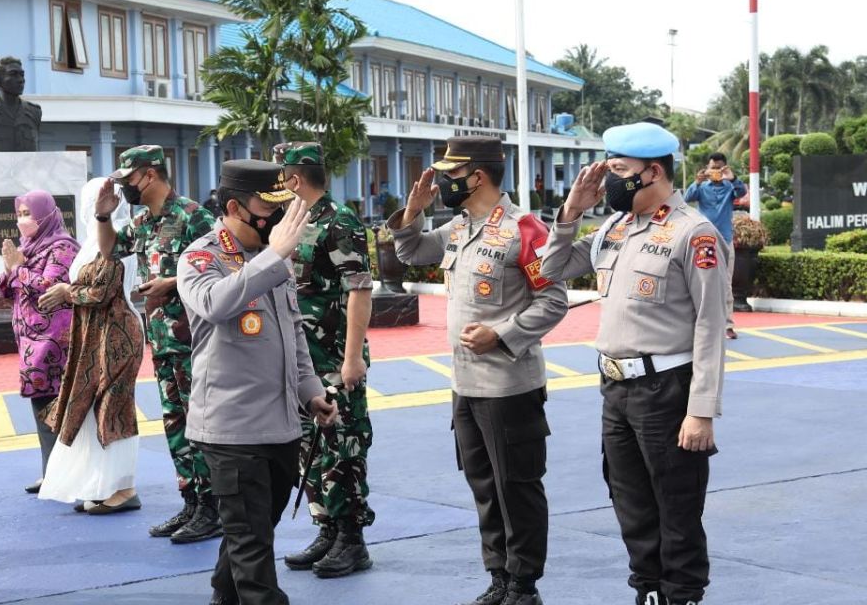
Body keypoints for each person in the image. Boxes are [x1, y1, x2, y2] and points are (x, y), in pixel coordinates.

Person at [540, 122, 727, 605]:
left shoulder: (694, 234)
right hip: (616, 388)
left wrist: (701, 409)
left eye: (618, 171)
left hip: (667, 388)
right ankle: (647, 588)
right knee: (629, 501)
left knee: (677, 503)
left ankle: (681, 595)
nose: (608, 181)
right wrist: (571, 213)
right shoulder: (613, 228)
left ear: (654, 172)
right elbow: (550, 268)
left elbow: (710, 325)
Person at [389, 137, 568, 605]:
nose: (444, 182)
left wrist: (503, 333)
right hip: (464, 383)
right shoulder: (460, 226)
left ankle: (525, 584)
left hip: (508, 383)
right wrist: (414, 210)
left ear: (478, 176)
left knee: (517, 486)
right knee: (484, 485)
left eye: (451, 174)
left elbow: (553, 300)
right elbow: (410, 251)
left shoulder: (524, 229)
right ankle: (500, 577)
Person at [176, 159, 338, 605]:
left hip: (281, 426)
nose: (278, 218)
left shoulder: (273, 262)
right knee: (254, 555)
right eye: (268, 209)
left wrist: (312, 394)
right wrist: (274, 256)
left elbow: (294, 337)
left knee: (250, 534)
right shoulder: (200, 257)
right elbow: (214, 303)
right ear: (234, 207)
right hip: (232, 432)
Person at [95, 145, 220, 543]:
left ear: (149, 175)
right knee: (175, 424)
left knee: (201, 424)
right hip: (163, 341)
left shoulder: (193, 215)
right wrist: (103, 214)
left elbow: (223, 270)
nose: (125, 188)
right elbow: (111, 251)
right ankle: (191, 503)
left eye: (128, 180)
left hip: (195, 340)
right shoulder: (143, 220)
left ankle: (212, 507)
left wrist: (174, 283)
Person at [271, 142, 376, 579]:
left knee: (342, 447)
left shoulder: (340, 222)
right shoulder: (294, 221)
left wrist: (352, 358)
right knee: (311, 449)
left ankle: (351, 539)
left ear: (296, 178)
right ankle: (327, 527)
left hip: (333, 357)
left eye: (281, 174)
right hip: (303, 359)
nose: (276, 183)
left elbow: (360, 289)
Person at [36, 176, 142, 513]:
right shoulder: (93, 242)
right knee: (91, 408)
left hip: (116, 336)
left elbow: (102, 291)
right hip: (92, 335)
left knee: (112, 408)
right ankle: (102, 485)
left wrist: (67, 293)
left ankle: (124, 489)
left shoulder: (119, 239)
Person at [0, 189, 80, 493]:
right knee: (41, 405)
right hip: (30, 341)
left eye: (27, 214)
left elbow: (49, 286)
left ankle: (65, 475)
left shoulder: (61, 247)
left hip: (54, 342)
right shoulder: (29, 247)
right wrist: (11, 270)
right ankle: (51, 472)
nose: (22, 221)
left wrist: (18, 268)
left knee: (56, 408)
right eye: (19, 215)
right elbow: (7, 289)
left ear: (46, 214)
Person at [683, 152, 746, 340]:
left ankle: (727, 325)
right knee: (702, 282)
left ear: (724, 168)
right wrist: (696, 181)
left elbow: (742, 192)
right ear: (708, 168)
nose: (715, 171)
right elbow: (687, 198)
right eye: (713, 167)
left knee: (726, 284)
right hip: (705, 241)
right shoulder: (701, 187)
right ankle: (699, 324)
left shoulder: (729, 186)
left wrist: (732, 177)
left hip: (725, 240)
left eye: (719, 168)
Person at [0, 56, 43, 152]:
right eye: (13, 74)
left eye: (22, 75)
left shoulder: (34, 112)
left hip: (28, 167)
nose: (21, 80)